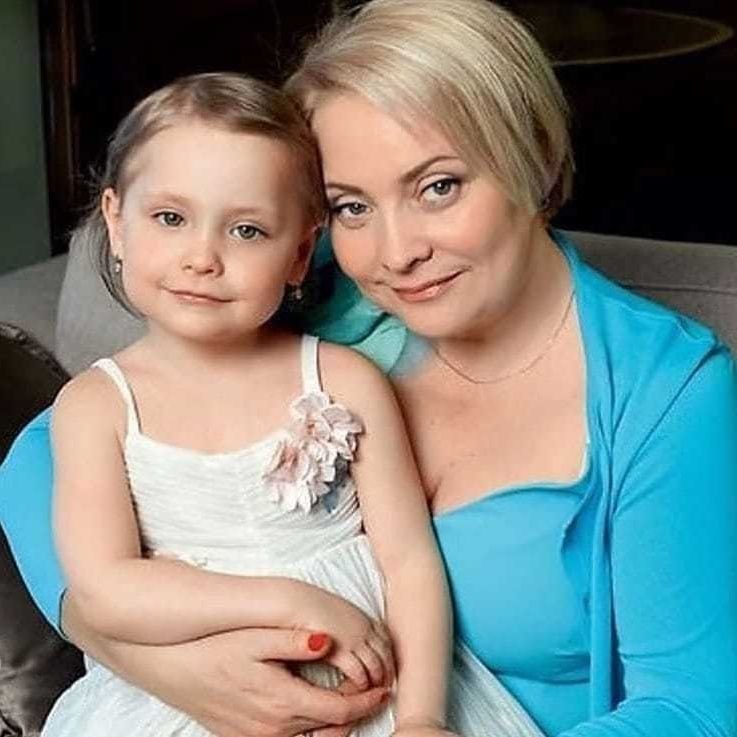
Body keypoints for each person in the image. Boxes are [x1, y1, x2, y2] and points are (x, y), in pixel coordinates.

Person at [1, 1, 736, 736]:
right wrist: (153, 659)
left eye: (439, 186)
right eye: (352, 206)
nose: (397, 252)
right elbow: (38, 457)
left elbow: (693, 710)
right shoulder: (313, 292)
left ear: (535, 159)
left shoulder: (665, 394)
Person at [32, 70, 544, 737]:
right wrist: (289, 601)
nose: (203, 257)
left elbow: (410, 561)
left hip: (379, 691)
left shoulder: (344, 381)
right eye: (170, 218)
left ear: (300, 252)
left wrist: (422, 715)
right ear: (116, 223)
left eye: (246, 230)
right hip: (186, 698)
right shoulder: (95, 407)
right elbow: (106, 590)